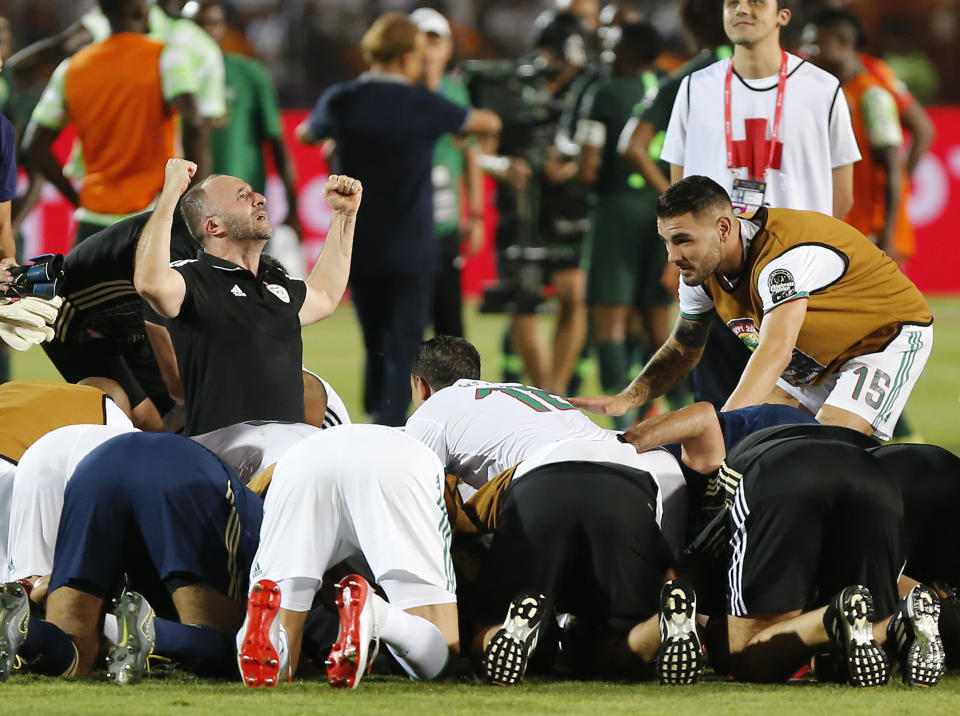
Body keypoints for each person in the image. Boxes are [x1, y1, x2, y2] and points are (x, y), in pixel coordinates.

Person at [571, 176, 933, 441]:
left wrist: (717, 427)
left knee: (829, 447)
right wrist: (627, 399)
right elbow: (683, 349)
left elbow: (774, 352)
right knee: (758, 448)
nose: (672, 256)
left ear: (724, 228)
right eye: (667, 241)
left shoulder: (780, 263)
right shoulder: (701, 268)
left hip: (883, 339)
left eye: (683, 240)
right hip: (811, 360)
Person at [654, 0, 862, 411]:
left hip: (798, 286)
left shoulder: (822, 89)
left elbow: (844, 193)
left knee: (798, 417)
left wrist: (808, 257)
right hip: (721, 282)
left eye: (756, 1)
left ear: (783, 15)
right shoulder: (695, 88)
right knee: (717, 417)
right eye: (733, 2)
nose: (742, 9)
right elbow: (681, 184)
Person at [296, 13, 501, 426]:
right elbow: (486, 123)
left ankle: (374, 411)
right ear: (409, 56)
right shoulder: (422, 103)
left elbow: (306, 134)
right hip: (412, 243)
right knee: (405, 343)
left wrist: (338, 139)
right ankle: (386, 425)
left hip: (359, 243)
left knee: (374, 338)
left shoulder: (343, 99)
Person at [0, 432, 263, 683]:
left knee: (75, 653)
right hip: (182, 470)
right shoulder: (281, 507)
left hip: (96, 467)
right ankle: (156, 635)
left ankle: (27, 632)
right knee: (232, 647)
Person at [133, 158, 361, 436]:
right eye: (243, 196)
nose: (261, 198)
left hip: (284, 457)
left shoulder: (275, 282)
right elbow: (150, 282)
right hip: (223, 458)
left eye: (254, 193)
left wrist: (345, 216)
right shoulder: (194, 279)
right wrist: (170, 192)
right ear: (214, 226)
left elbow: (324, 295)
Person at [707, 424, 944, 687]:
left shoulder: (730, 449)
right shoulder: (790, 421)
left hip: (782, 470)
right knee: (851, 661)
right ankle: (897, 623)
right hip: (873, 473)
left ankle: (833, 618)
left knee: (744, 656)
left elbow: (705, 555)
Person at [237, 425, 459, 689]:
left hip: (300, 464)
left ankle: (274, 637)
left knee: (283, 626)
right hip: (396, 462)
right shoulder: (433, 444)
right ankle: (377, 614)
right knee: (444, 652)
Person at [23, 0, 208, 244]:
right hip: (153, 217)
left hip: (91, 224)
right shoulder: (166, 56)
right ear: (141, 11)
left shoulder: (71, 68)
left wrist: (76, 199)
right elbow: (194, 122)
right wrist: (190, 202)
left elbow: (33, 148)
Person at [576, 20, 670, 429]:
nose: (608, 55)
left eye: (615, 48)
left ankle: (624, 420)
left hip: (618, 209)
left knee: (610, 320)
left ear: (630, 52)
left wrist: (580, 180)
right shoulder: (670, 86)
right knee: (659, 320)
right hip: (665, 212)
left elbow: (589, 162)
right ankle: (674, 405)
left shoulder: (605, 92)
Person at [41, 210, 199, 431]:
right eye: (241, 196)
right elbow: (177, 384)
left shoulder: (223, 257)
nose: (258, 201)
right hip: (79, 322)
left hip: (129, 327)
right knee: (135, 417)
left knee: (170, 415)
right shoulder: (178, 250)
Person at [805, 9, 907, 264]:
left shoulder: (873, 96)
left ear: (842, 42)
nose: (807, 52)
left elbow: (894, 169)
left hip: (871, 231)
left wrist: (888, 234)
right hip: (843, 229)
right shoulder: (826, 94)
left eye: (816, 43)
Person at [193, 1, 300, 239]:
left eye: (212, 23)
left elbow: (276, 141)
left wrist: (293, 206)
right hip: (192, 210)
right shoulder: (175, 75)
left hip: (244, 203)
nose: (205, 31)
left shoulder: (249, 73)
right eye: (197, 25)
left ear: (225, 27)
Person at [411, 7, 485, 340]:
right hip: (405, 223)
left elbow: (470, 152)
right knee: (407, 323)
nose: (428, 50)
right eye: (420, 41)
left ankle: (451, 392)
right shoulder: (395, 93)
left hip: (444, 220)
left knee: (450, 323)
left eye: (435, 41)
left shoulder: (456, 93)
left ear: (447, 48)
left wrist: (478, 214)